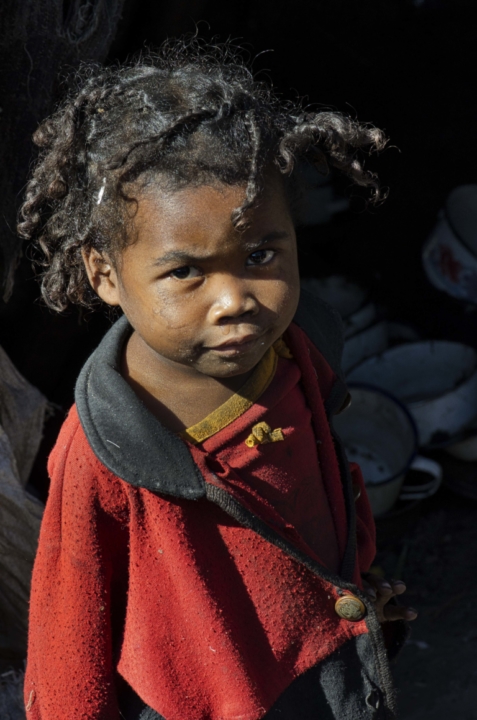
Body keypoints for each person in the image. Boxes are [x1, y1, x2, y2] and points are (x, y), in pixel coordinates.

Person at [18, 40, 417, 720]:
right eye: (185, 272)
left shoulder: (298, 349)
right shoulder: (108, 449)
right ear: (105, 274)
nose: (235, 300)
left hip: (333, 678)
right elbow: (68, 641)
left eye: (260, 255)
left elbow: (323, 484)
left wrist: (355, 584)